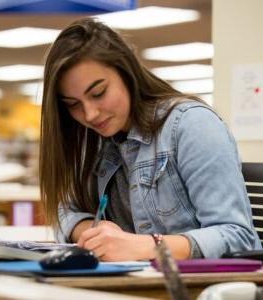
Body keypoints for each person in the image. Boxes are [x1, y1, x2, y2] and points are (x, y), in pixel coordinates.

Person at [39, 17, 261, 261]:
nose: (90, 114)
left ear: (127, 72)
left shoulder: (192, 125)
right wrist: (95, 233)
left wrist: (149, 246)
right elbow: (63, 211)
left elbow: (238, 236)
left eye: (98, 93)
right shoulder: (93, 137)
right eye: (73, 104)